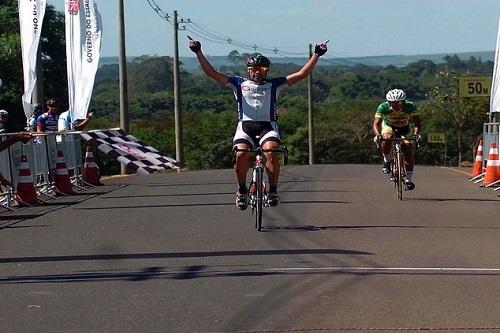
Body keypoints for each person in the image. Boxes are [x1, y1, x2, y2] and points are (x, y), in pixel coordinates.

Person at [188, 37, 328, 210]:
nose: (257, 72)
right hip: (245, 126)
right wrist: (198, 52)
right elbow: (211, 73)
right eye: (253, 68)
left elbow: (301, 74)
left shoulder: (274, 84)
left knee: (271, 152)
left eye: (261, 69)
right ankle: (242, 190)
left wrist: (316, 54)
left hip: (267, 126)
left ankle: (273, 190)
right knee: (240, 155)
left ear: (266, 70)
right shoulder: (238, 83)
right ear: (249, 70)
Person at [372, 88, 422, 190]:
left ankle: (408, 180)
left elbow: (417, 123)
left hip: (404, 128)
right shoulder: (383, 107)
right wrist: (378, 135)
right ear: (389, 102)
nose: (397, 105)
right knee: (387, 138)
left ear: (404, 101)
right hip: (389, 126)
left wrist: (416, 134)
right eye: (393, 103)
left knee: (408, 147)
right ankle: (386, 161)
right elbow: (376, 123)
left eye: (399, 102)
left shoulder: (410, 106)